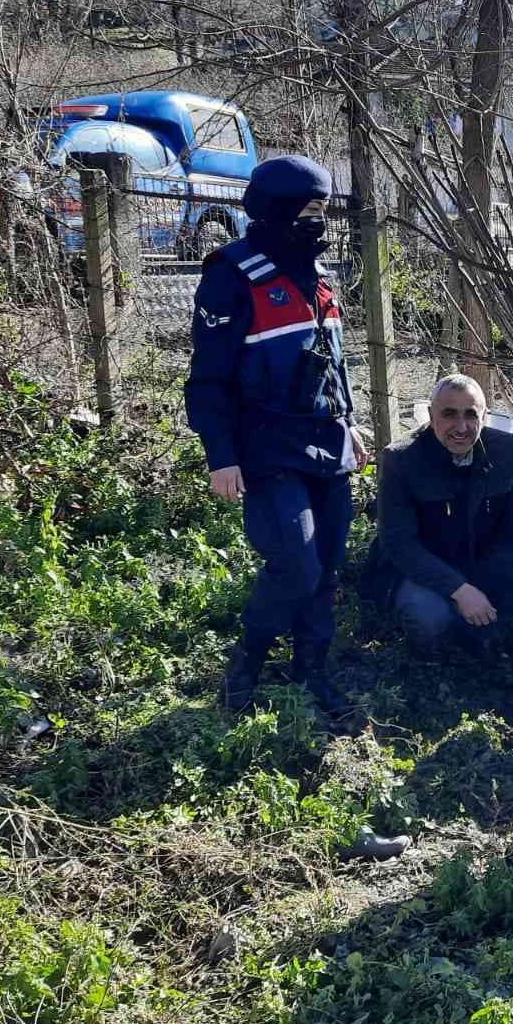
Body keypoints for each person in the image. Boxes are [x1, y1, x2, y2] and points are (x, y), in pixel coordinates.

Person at [185, 154, 366, 717]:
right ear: (278, 211)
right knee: (296, 563)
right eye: (309, 211)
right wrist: (220, 455)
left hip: (328, 443)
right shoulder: (231, 275)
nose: (319, 223)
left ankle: (312, 667)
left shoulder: (319, 280)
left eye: (323, 210)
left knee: (329, 565)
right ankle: (247, 663)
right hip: (267, 445)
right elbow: (208, 379)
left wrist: (350, 424)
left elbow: (330, 365)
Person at [377, 374, 513, 650]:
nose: (461, 426)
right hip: (425, 567)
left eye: (471, 414)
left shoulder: (505, 447)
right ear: (431, 415)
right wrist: (459, 589)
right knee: (429, 617)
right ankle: (441, 648)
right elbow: (399, 543)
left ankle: (479, 633)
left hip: (480, 559)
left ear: (485, 415)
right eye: (449, 414)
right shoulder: (401, 458)